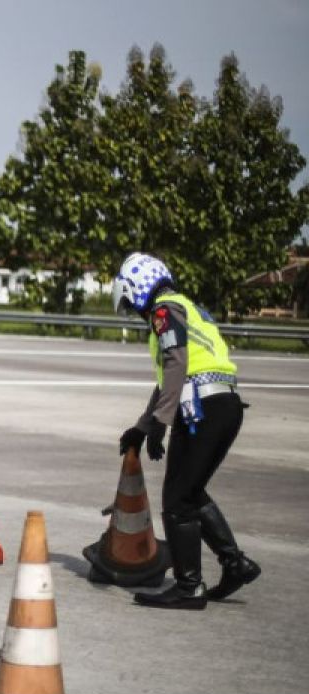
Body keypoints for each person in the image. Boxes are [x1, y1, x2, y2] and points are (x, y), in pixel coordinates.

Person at [113, 252, 260, 610]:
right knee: (190, 493)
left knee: (177, 501)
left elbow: (177, 366)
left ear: (138, 288)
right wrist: (142, 426)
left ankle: (188, 586)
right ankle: (234, 563)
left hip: (202, 409)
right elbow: (168, 379)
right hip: (223, 406)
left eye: (131, 303)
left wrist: (160, 425)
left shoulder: (164, 312)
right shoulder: (185, 308)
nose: (135, 312)